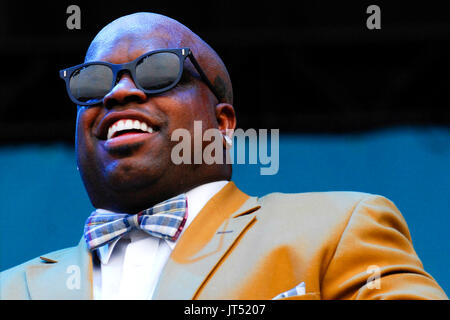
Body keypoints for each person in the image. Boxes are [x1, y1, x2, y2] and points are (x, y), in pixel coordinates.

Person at [0, 12, 447, 300]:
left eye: (158, 72)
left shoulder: (338, 229)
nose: (119, 92)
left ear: (223, 125)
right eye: (93, 83)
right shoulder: (11, 288)